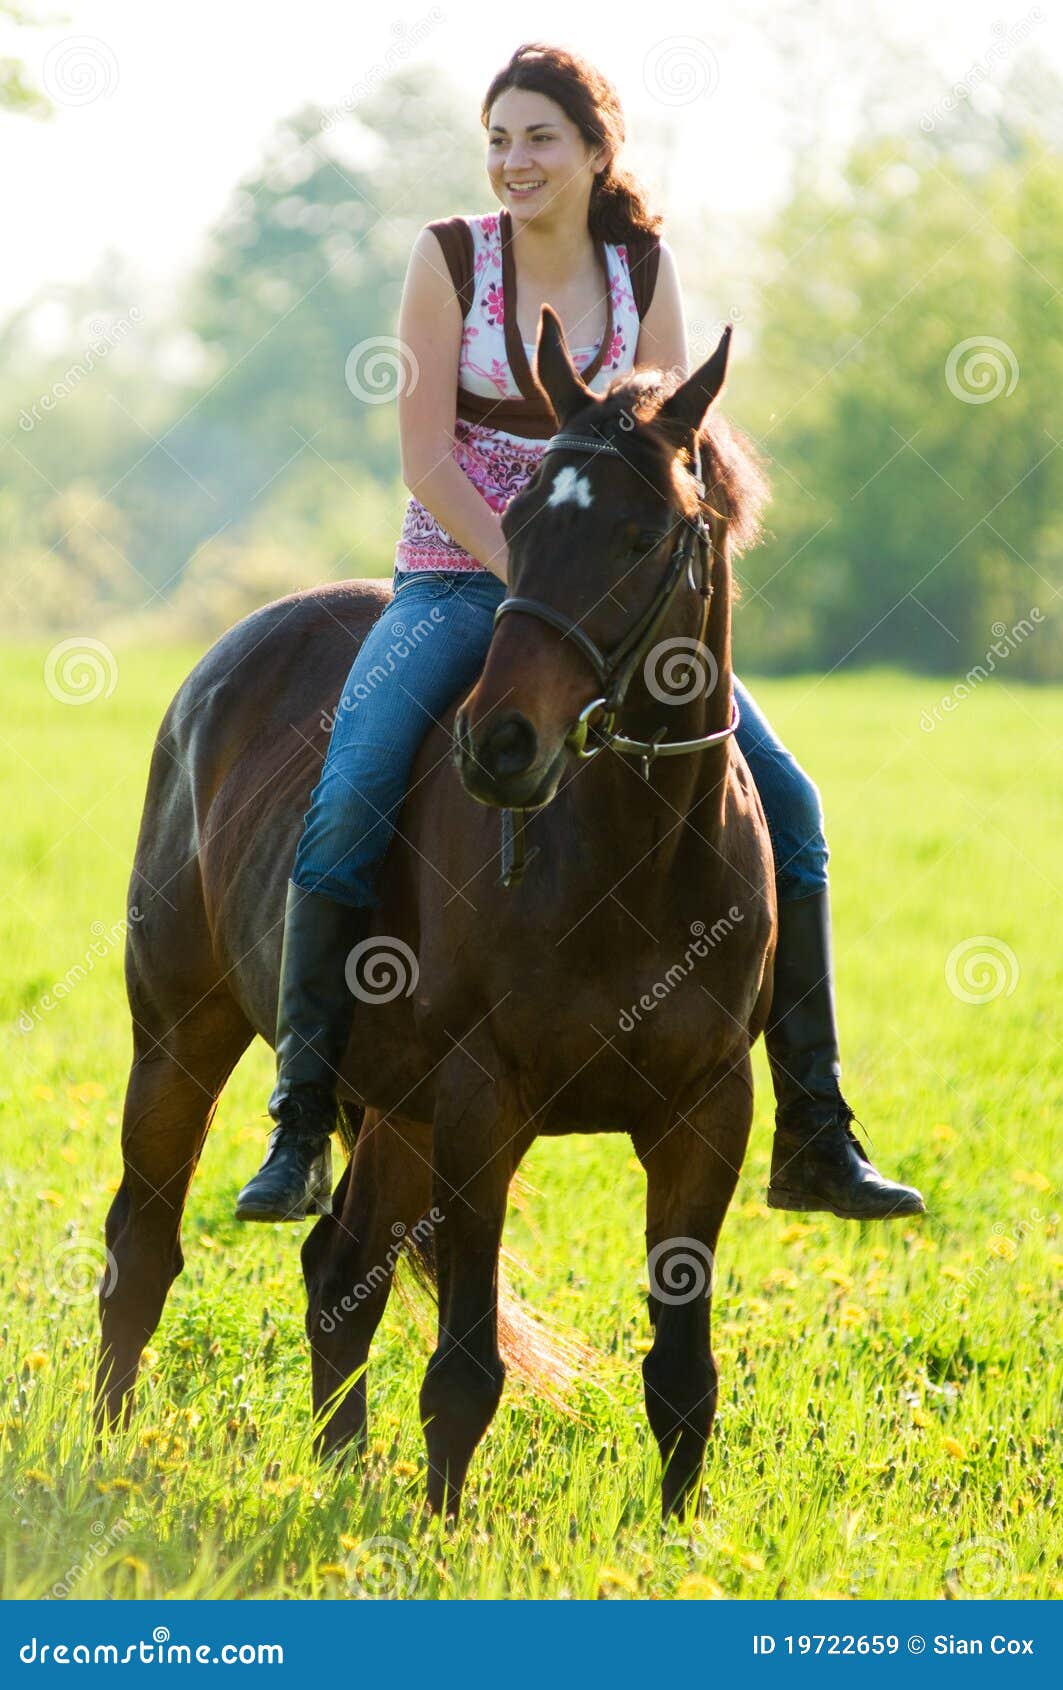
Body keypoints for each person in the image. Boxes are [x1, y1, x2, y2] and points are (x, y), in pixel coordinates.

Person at [235, 42, 925, 1226]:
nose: (514, 160)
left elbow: (671, 453)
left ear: (596, 150)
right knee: (350, 787)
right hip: (464, 583)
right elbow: (425, 458)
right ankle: (302, 1116)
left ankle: (816, 1126)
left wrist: (597, 590)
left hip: (608, 610)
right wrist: (535, 581)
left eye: (539, 137)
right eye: (498, 138)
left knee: (794, 811)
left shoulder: (639, 264)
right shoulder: (450, 258)